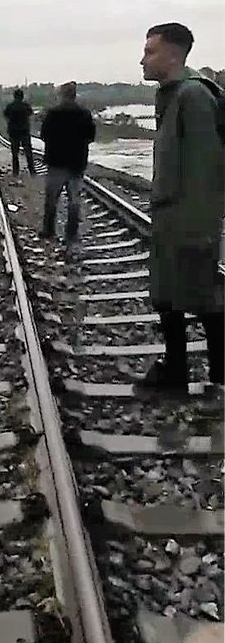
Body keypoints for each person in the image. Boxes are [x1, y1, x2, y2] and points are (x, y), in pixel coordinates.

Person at [135, 22, 224, 394]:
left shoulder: (193, 96)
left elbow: (208, 165)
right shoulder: (172, 95)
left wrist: (201, 227)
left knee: (203, 296)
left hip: (189, 219)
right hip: (172, 215)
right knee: (169, 295)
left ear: (173, 54)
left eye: (150, 51)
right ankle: (177, 370)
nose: (142, 59)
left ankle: (217, 376)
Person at [38, 82, 96, 244]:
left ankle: (48, 230)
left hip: (56, 161)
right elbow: (90, 136)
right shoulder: (84, 114)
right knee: (74, 200)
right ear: (74, 95)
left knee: (51, 199)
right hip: (77, 162)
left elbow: (44, 135)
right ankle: (71, 234)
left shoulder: (53, 113)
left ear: (62, 95)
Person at [3, 88, 37, 177]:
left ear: (14, 96)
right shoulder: (26, 106)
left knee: (15, 153)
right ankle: (32, 171)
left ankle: (16, 172)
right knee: (28, 152)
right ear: (22, 96)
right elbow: (30, 114)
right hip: (24, 131)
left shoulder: (10, 106)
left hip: (13, 132)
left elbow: (6, 115)